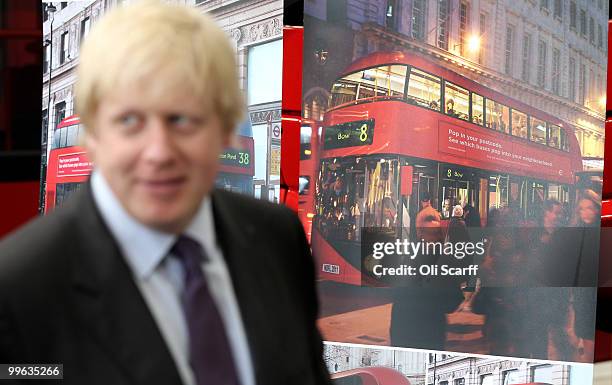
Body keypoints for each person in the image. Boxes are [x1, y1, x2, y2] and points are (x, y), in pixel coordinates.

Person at [0, 3, 330, 385]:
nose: (159, 152)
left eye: (183, 119)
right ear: (92, 136)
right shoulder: (18, 288)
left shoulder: (278, 237)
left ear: (224, 129)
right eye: (129, 121)